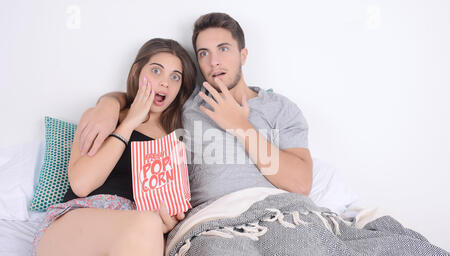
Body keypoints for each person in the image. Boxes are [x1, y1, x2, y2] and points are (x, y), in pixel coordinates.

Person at [79, 13, 313, 210]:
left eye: (223, 49)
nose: (214, 62)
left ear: (243, 55)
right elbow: (150, 94)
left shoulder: (279, 108)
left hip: (282, 212)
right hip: (214, 222)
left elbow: (301, 184)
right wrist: (108, 104)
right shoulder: (187, 102)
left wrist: (240, 126)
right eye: (203, 53)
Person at [33, 38, 197, 256]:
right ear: (136, 72)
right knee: (145, 224)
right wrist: (129, 122)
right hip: (72, 232)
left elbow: (164, 210)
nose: (165, 82)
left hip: (127, 250)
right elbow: (82, 183)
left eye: (175, 77)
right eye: (156, 70)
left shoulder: (175, 140)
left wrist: (168, 217)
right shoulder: (104, 117)